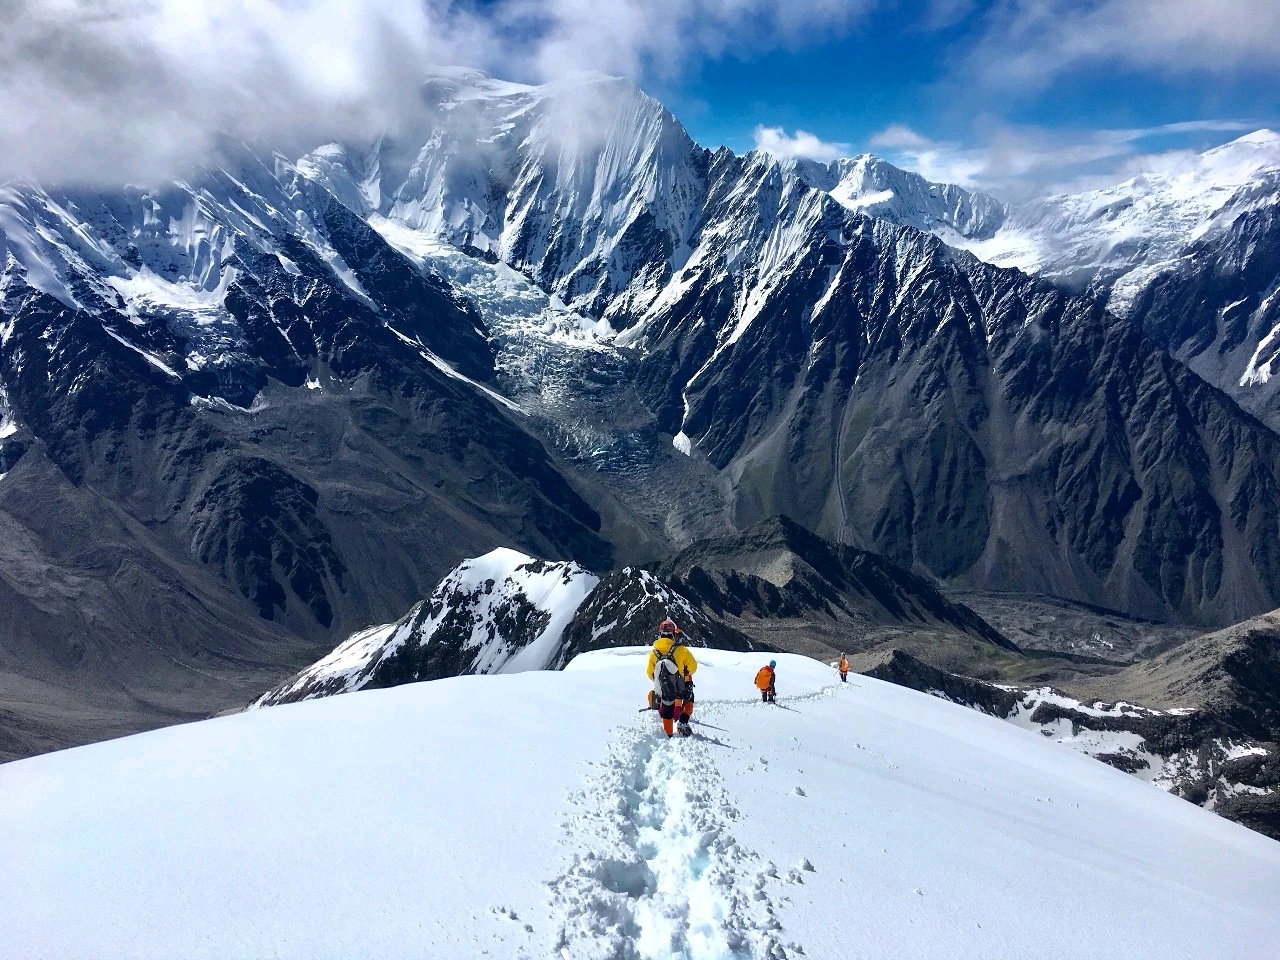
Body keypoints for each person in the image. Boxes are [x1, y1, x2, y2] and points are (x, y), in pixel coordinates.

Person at [647, 618, 698, 737]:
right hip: (681, 688)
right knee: (689, 699)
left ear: (660, 634)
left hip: (665, 690)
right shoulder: (681, 650)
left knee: (667, 712)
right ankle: (683, 722)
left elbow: (650, 674)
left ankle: (668, 735)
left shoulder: (653, 653)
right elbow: (693, 668)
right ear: (673, 634)